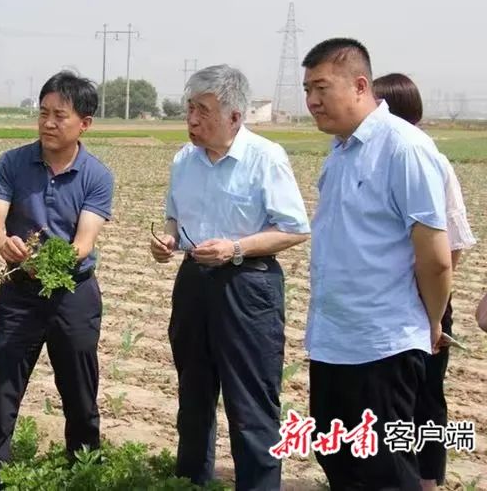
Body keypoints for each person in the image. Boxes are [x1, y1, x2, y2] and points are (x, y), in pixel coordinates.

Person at [150, 64, 310, 489]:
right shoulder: (184, 160)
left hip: (248, 285)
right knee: (194, 398)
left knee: (251, 406)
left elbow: (294, 228)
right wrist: (166, 241)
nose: (192, 119)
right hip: (194, 285)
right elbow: (173, 217)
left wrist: (235, 248)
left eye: (203, 110)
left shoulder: (266, 157)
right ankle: (190, 483)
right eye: (190, 108)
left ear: (235, 117)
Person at [303, 39, 452, 490]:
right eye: (307, 89)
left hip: (383, 344)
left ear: (361, 85)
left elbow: (436, 257)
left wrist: (430, 320)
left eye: (322, 88)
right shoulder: (340, 151)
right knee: (338, 459)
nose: (311, 101)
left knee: (384, 472)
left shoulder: (403, 148)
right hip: (332, 340)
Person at [0, 71, 114, 491]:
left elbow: (83, 243)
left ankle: (84, 470)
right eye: (43, 113)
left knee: (80, 391)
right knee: (3, 388)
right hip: (19, 292)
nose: (48, 123)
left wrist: (51, 259)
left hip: (73, 293)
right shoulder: (12, 163)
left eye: (60, 116)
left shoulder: (96, 176)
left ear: (84, 123)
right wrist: (6, 246)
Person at [373, 72, 476, 490]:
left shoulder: (424, 157)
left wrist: (433, 302)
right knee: (387, 398)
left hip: (424, 300)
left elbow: (451, 245)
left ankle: (428, 479)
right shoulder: (376, 156)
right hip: (388, 301)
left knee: (426, 397)